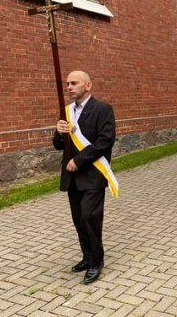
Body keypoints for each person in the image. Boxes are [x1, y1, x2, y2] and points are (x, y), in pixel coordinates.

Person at [53, 71, 116, 285]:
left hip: (92, 174)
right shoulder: (67, 111)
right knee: (79, 220)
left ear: (88, 85)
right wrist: (58, 132)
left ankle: (97, 262)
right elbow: (59, 145)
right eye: (67, 83)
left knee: (91, 217)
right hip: (72, 178)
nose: (69, 87)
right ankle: (86, 257)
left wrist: (79, 160)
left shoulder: (103, 109)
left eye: (74, 83)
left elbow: (105, 141)